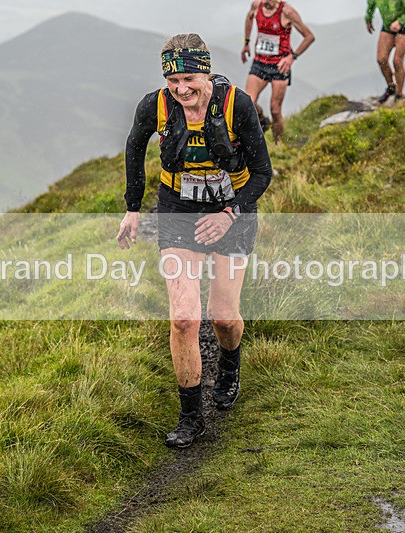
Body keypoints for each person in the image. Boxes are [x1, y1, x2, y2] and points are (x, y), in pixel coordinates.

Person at [117, 34, 272, 449]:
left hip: (231, 214)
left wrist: (229, 214)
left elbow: (262, 173)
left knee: (223, 316)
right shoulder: (156, 105)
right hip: (178, 213)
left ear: (205, 70)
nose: (181, 89)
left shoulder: (236, 104)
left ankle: (229, 365)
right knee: (184, 318)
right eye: (173, 81)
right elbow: (134, 147)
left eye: (189, 78)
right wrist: (133, 208)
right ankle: (191, 418)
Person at [242, 0, 315, 144]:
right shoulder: (257, 5)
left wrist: (292, 57)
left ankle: (277, 145)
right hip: (260, 62)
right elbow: (249, 18)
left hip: (280, 66)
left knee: (275, 110)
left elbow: (309, 36)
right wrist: (246, 43)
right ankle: (262, 120)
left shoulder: (287, 12)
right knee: (247, 101)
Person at [365, 0, 405, 104]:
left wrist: (400, 22)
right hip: (388, 26)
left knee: (397, 61)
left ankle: (399, 95)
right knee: (381, 59)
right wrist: (368, 19)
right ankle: (391, 87)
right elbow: (371, 4)